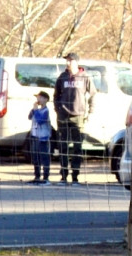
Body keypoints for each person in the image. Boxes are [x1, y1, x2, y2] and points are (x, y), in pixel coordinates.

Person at [53, 51, 96, 185]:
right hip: (63, 115)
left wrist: (90, 111)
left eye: (70, 60)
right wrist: (58, 109)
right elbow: (56, 95)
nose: (68, 63)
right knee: (63, 146)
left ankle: (75, 176)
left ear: (76, 62)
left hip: (78, 115)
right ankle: (64, 175)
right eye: (66, 60)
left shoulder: (85, 77)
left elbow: (93, 94)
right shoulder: (62, 77)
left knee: (77, 147)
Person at [26, 90, 53, 185]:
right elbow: (29, 117)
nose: (38, 99)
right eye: (37, 97)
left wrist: (36, 110)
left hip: (43, 137)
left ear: (45, 99)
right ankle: (37, 175)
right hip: (35, 135)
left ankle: (46, 177)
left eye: (40, 97)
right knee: (35, 157)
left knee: (44, 157)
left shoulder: (46, 110)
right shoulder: (36, 109)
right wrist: (33, 109)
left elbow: (41, 120)